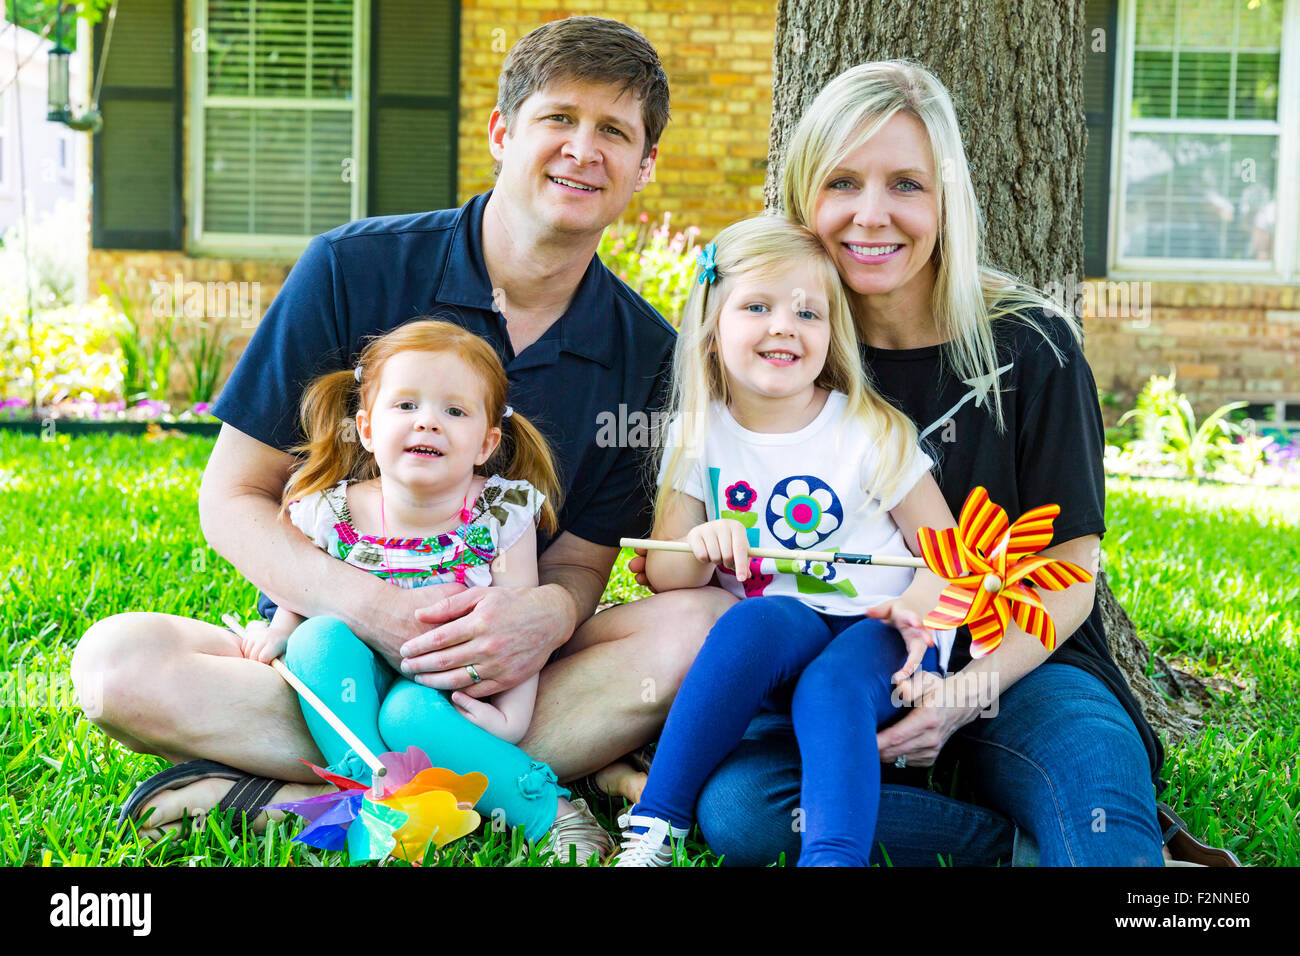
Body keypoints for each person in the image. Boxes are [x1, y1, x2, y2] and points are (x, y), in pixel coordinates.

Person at [73, 17, 736, 849]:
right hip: (324, 658)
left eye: (614, 131)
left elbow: (576, 562)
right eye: (558, 119)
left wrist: (547, 619)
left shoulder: (647, 355)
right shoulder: (353, 269)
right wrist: (372, 607)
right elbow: (233, 497)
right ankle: (490, 785)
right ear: (503, 132)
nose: (582, 149)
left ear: (643, 167)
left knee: (703, 626)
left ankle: (298, 797)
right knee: (116, 666)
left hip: (486, 682)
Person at [681, 60, 1170, 867]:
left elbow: (1072, 570)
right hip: (833, 673)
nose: (872, 217)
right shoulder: (782, 350)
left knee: (1105, 829)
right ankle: (1009, 851)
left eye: (906, 184)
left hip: (1021, 667)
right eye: (842, 182)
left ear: (946, 198)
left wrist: (965, 692)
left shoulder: (1031, 346)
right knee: (745, 812)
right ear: (805, 196)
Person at [608, 216, 961, 867]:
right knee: (757, 620)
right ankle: (656, 826)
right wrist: (701, 539)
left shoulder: (870, 431)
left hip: (881, 639)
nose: (783, 325)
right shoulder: (700, 434)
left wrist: (918, 612)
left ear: (833, 334)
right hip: (782, 643)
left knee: (829, 687)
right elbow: (667, 575)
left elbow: (947, 559)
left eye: (808, 312)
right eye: (757, 306)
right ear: (713, 328)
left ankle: (833, 859)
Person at [233, 319, 610, 860]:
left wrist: (514, 715)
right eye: (406, 406)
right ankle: (373, 791)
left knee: (407, 714)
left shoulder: (500, 513)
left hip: (448, 684)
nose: (428, 423)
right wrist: (278, 632)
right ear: (365, 428)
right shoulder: (329, 510)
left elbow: (518, 626)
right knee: (316, 641)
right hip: (355, 679)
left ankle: (547, 811)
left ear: (486, 442)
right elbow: (303, 592)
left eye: (453, 411)